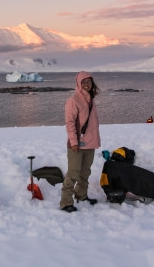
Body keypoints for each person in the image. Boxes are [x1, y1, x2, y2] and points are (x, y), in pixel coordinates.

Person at [60, 71, 101, 212]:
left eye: (89, 82)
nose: (86, 84)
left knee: (85, 172)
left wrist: (95, 141)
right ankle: (66, 202)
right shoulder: (73, 100)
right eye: (83, 82)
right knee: (73, 173)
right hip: (76, 144)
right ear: (78, 83)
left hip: (90, 143)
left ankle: (81, 195)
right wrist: (74, 142)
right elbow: (70, 123)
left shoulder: (91, 100)